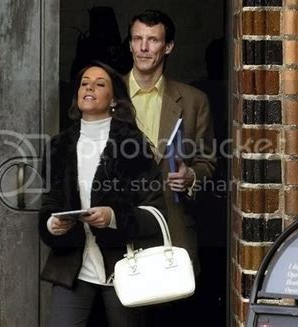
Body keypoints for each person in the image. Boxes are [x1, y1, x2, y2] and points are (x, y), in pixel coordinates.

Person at [38, 61, 165, 327]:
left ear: (114, 99)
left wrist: (114, 217)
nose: (89, 87)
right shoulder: (58, 146)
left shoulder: (133, 145)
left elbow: (155, 213)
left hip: (125, 266)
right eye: (85, 82)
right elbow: (49, 204)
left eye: (100, 83)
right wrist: (53, 224)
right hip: (72, 267)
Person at [125, 9, 217, 325]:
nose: (144, 47)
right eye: (137, 39)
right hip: (121, 232)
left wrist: (192, 175)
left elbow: (208, 161)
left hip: (174, 232)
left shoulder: (193, 101)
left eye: (153, 40)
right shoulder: (108, 94)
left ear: (169, 47)